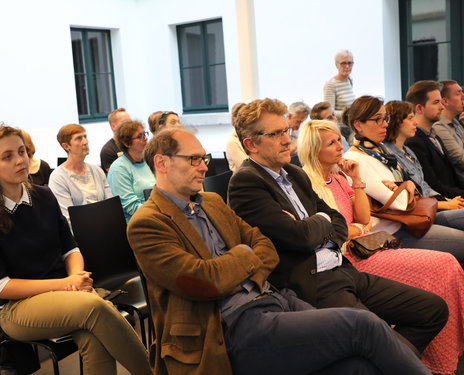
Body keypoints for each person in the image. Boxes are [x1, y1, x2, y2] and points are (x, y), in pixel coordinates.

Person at [127, 127, 433, 375]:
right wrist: (245, 255)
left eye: (203, 157)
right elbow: (204, 281)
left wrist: (239, 260)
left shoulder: (212, 203)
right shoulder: (148, 223)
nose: (204, 166)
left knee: (359, 366)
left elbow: (266, 249)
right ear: (162, 163)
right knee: (363, 326)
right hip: (226, 329)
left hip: (275, 299)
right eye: (193, 159)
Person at [228, 98, 447, 357]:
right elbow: (300, 237)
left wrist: (317, 222)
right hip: (312, 281)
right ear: (250, 144)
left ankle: (385, 359)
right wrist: (320, 222)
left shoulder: (293, 174)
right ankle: (389, 357)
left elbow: (339, 221)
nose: (287, 140)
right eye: (275, 134)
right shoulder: (246, 183)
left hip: (343, 268)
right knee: (379, 338)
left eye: (286, 131)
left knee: (433, 309)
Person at [298, 118, 464, 374]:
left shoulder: (340, 176)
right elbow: (336, 233)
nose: (340, 147)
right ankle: (418, 362)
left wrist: (356, 180)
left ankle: (424, 358)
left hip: (368, 245)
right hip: (351, 258)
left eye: (337, 141)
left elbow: (363, 219)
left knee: (446, 266)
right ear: (314, 151)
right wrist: (353, 229)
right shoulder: (309, 184)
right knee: (443, 264)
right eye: (331, 144)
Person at [0, 125, 150, 375]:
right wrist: (66, 284)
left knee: (94, 339)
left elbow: (70, 248)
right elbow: (1, 287)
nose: (20, 160)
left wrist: (73, 279)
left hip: (67, 294)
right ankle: (153, 371)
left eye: (22, 151)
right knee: (95, 307)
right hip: (15, 309)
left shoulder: (44, 196)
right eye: (7, 156)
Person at [342, 95, 464, 263]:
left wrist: (404, 186)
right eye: (378, 119)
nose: (385, 123)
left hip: (410, 221)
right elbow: (399, 203)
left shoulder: (379, 151)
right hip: (392, 233)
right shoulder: (356, 160)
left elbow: (406, 192)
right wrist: (406, 187)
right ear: (358, 125)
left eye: (386, 118)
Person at [405, 80, 464, 198]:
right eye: (436, 102)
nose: (442, 107)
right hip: (443, 205)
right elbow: (433, 186)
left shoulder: (434, 136)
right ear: (420, 108)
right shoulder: (414, 142)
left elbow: (452, 177)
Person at [48, 124, 113, 227]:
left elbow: (111, 206)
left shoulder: (97, 170)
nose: (85, 142)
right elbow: (68, 219)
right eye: (79, 138)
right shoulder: (58, 178)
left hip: (105, 227)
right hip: (80, 234)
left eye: (85, 137)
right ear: (66, 146)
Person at [107, 119, 155, 223]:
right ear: (126, 143)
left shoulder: (149, 161)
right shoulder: (119, 169)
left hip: (156, 215)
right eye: (140, 136)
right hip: (138, 222)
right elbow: (131, 206)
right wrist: (159, 214)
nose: (146, 138)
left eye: (145, 134)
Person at [432, 80, 464, 180]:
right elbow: (461, 160)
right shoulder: (439, 127)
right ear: (445, 101)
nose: (463, 96)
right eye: (458, 93)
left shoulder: (456, 123)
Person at [323, 49, 356, 140]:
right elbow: (329, 112)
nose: (347, 66)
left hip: (351, 125)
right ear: (336, 65)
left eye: (350, 63)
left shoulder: (349, 80)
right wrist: (349, 113)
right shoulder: (331, 84)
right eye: (343, 63)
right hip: (341, 129)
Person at [100, 108, 131, 172]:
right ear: (113, 126)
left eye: (130, 122)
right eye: (125, 122)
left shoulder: (135, 144)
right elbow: (116, 175)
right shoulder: (108, 150)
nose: (130, 125)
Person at [226, 102, 248, 172]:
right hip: (244, 180)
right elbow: (245, 167)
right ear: (234, 120)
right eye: (244, 117)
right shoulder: (232, 141)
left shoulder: (250, 136)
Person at [287, 101, 310, 166]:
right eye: (298, 122)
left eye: (302, 122)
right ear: (289, 116)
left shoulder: (297, 130)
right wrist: (294, 147)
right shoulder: (279, 131)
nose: (300, 125)